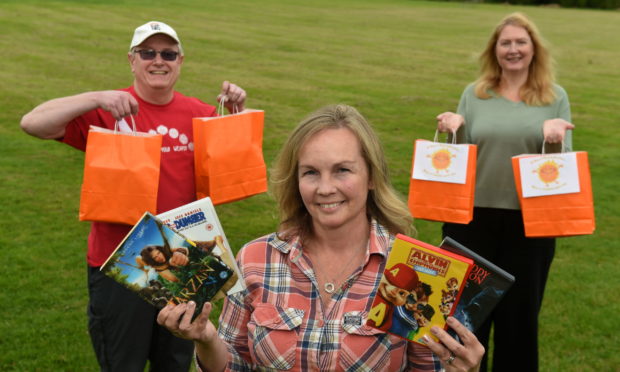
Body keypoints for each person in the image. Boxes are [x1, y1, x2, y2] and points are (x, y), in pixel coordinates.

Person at [157, 104, 484, 371]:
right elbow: (236, 364)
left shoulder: (415, 271)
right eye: (311, 172)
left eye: (342, 170)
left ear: (371, 176)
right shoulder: (256, 258)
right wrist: (206, 339)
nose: (325, 188)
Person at [20, 21, 247, 371]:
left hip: (182, 257)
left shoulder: (200, 113)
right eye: (148, 53)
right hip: (122, 262)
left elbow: (235, 164)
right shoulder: (109, 112)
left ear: (180, 61)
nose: (158, 61)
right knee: (122, 362)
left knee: (175, 362)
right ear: (132, 59)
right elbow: (33, 123)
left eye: (168, 54)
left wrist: (235, 111)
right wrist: (96, 97)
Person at [435, 13, 574, 372]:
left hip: (529, 226)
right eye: (505, 43)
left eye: (520, 42)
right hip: (472, 221)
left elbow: (558, 171)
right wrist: (453, 129)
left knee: (519, 323)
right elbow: (459, 159)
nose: (513, 50)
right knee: (465, 320)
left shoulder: (554, 97)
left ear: (533, 49)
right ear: (494, 50)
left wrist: (556, 140)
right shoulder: (475, 94)